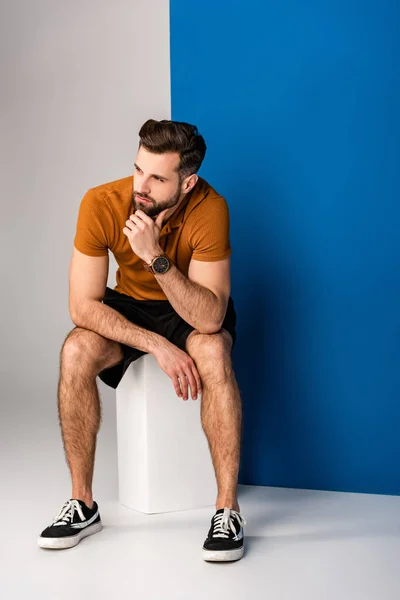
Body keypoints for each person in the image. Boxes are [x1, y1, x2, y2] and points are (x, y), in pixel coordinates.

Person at [37, 119, 247, 562]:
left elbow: (209, 317)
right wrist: (155, 343)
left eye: (157, 177)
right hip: (132, 307)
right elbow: (83, 306)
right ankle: (82, 504)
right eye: (138, 170)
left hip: (188, 303)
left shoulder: (211, 207)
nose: (142, 187)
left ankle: (227, 510)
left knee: (212, 348)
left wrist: (154, 255)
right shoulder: (101, 202)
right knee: (76, 348)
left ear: (187, 182)